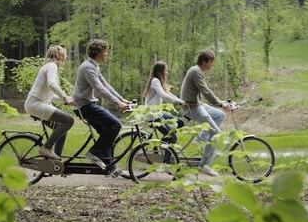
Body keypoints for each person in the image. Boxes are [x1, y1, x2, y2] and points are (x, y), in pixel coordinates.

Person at [72, 39, 129, 173]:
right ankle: (94, 153)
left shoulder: (94, 66)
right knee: (116, 124)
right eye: (105, 51)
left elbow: (106, 85)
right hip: (84, 106)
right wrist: (117, 103)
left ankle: (111, 166)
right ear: (98, 53)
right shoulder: (87, 67)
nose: (107, 54)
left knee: (107, 132)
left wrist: (122, 99)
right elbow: (100, 89)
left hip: (87, 104)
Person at [180, 49, 233, 176]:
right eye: (211, 63)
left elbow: (206, 91)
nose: (212, 66)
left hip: (197, 105)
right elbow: (206, 91)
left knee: (220, 115)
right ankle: (205, 165)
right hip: (191, 108)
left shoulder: (197, 71)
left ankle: (202, 136)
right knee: (216, 132)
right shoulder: (196, 71)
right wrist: (221, 104)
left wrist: (222, 102)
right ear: (204, 61)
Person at [23, 45, 75, 161]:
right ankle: (46, 148)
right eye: (64, 55)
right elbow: (52, 84)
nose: (65, 58)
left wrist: (66, 101)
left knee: (61, 129)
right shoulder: (52, 66)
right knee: (69, 120)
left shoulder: (49, 67)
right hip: (36, 104)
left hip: (36, 104)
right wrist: (65, 97)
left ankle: (56, 163)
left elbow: (51, 97)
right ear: (59, 56)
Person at [142, 60, 186, 145]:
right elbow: (164, 95)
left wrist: (180, 101)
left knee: (180, 122)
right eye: (165, 70)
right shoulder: (155, 81)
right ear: (160, 71)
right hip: (152, 116)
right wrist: (179, 102)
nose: (167, 73)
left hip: (158, 113)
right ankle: (166, 155)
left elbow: (168, 94)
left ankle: (165, 139)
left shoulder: (158, 81)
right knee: (172, 138)